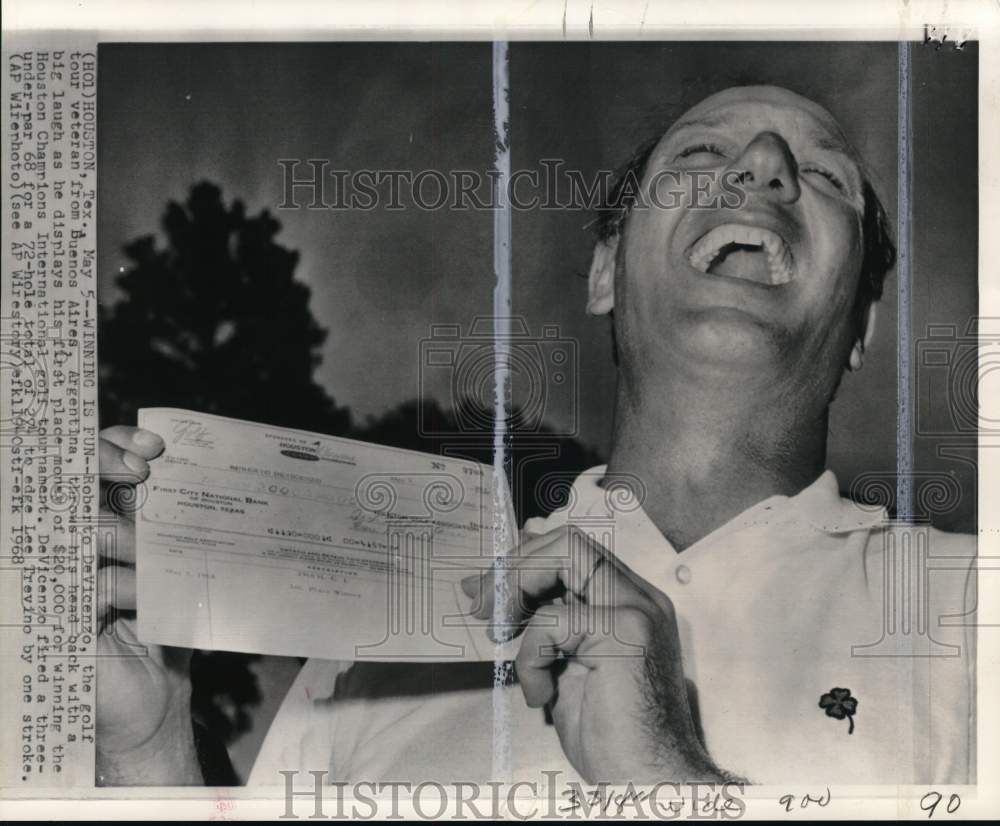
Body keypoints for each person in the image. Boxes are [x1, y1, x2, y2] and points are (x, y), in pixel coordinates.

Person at [96, 85, 976, 787]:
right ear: (604, 272)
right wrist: (149, 750)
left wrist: (659, 779)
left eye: (823, 174)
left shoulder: (973, 610)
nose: (764, 165)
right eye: (701, 153)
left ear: (863, 324)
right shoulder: (394, 635)